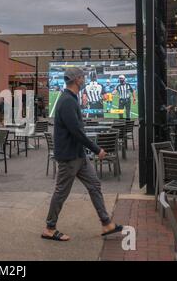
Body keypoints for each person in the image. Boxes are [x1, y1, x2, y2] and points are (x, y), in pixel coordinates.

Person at [42, 67, 122, 242]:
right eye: (82, 77)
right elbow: (77, 131)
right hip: (70, 157)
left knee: (94, 185)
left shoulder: (71, 99)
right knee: (61, 192)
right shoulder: (67, 101)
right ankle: (49, 227)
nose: (84, 79)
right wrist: (97, 149)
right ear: (77, 79)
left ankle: (106, 223)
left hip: (78, 156)